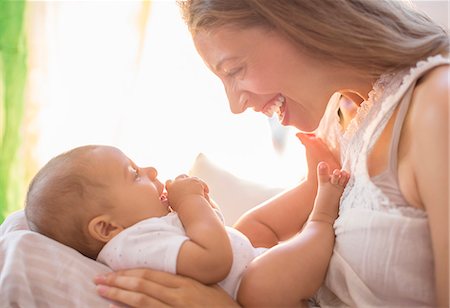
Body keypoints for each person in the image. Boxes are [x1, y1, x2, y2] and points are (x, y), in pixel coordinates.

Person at [93, 0, 449, 307]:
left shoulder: (437, 107)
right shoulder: (339, 122)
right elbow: (256, 243)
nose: (235, 104)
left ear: (300, 20)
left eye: (234, 70)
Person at [25, 144, 349, 307]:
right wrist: (190, 202)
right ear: (107, 229)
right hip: (249, 296)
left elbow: (213, 238)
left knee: (249, 226)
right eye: (134, 174)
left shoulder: (143, 232)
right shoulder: (131, 245)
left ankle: (309, 188)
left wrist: (206, 208)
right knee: (257, 285)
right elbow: (213, 261)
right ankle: (321, 218)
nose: (151, 171)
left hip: (247, 263)